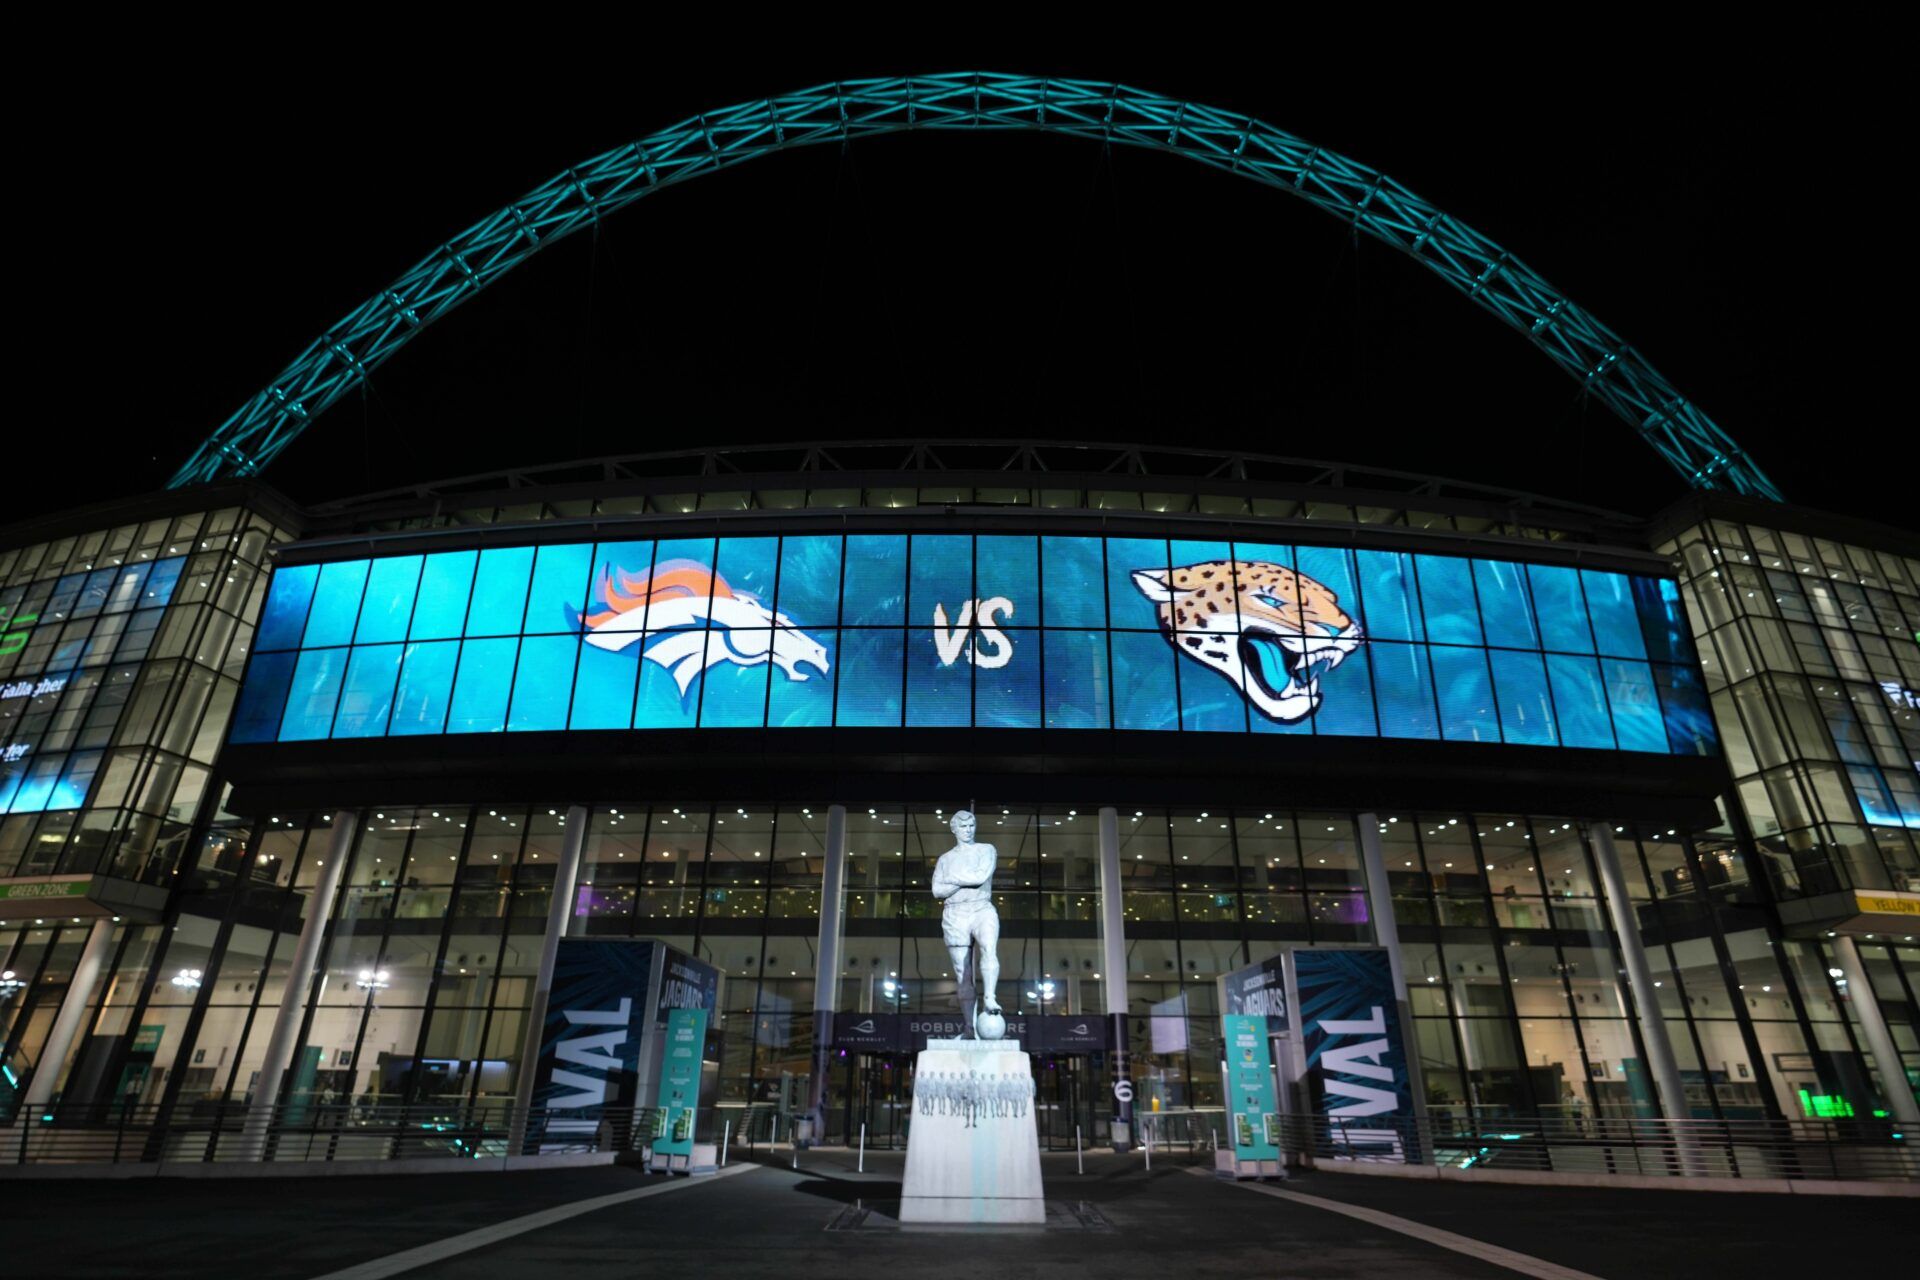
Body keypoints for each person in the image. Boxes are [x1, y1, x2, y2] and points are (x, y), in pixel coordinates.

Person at [931, 810, 1002, 1037]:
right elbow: (937, 891)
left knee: (989, 949)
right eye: (963, 826)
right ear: (954, 829)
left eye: (971, 825)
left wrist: (952, 880)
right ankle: (970, 1028)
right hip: (955, 914)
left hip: (981, 908)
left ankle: (990, 997)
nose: (968, 830)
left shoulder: (986, 849)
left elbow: (980, 877)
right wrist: (964, 880)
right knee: (963, 973)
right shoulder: (945, 859)